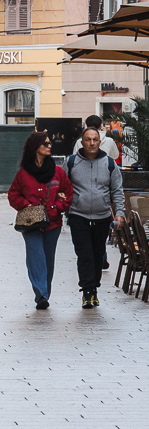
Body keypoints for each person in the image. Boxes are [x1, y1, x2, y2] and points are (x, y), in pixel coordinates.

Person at [9, 131, 73, 310]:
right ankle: (41, 294)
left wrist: (58, 206)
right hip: (30, 223)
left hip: (52, 223)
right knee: (35, 257)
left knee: (48, 260)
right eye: (45, 144)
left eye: (50, 143)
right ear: (35, 147)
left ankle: (45, 293)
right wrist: (26, 204)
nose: (49, 146)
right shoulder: (23, 174)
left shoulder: (57, 172)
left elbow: (69, 194)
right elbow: (13, 195)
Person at [67, 125, 125, 310]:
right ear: (81, 142)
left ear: (100, 142)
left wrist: (120, 214)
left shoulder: (109, 163)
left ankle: (94, 289)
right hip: (78, 216)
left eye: (94, 140)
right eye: (87, 139)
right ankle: (87, 291)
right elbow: (62, 186)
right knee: (84, 255)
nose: (91, 143)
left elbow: (117, 191)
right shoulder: (72, 162)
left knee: (98, 255)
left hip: (102, 217)